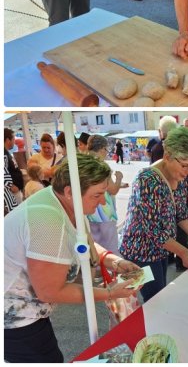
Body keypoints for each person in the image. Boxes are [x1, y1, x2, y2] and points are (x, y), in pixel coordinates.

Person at [4, 154, 141, 363]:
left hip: (27, 313)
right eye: (97, 195)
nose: (104, 201)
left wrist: (112, 260)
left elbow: (82, 241)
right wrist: (109, 293)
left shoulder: (66, 202)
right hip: (14, 321)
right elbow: (49, 291)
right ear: (70, 192)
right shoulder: (48, 221)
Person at [119, 127, 188, 302]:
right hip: (140, 252)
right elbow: (154, 231)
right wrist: (183, 253)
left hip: (161, 248)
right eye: (185, 165)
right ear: (167, 157)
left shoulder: (179, 177)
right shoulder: (147, 180)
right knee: (155, 300)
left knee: (160, 293)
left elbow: (181, 213)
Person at [85, 135, 123, 254]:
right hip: (105, 212)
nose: (106, 153)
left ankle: (98, 271)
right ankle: (112, 271)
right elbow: (112, 190)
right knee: (111, 247)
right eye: (106, 150)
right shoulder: (101, 165)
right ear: (101, 149)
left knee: (96, 247)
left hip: (89, 210)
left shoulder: (83, 162)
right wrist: (119, 179)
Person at [4, 128, 24, 206]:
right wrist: (10, 185)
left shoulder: (6, 152)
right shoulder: (3, 154)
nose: (14, 142)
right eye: (13, 139)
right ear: (7, 140)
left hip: (16, 191)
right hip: (12, 192)